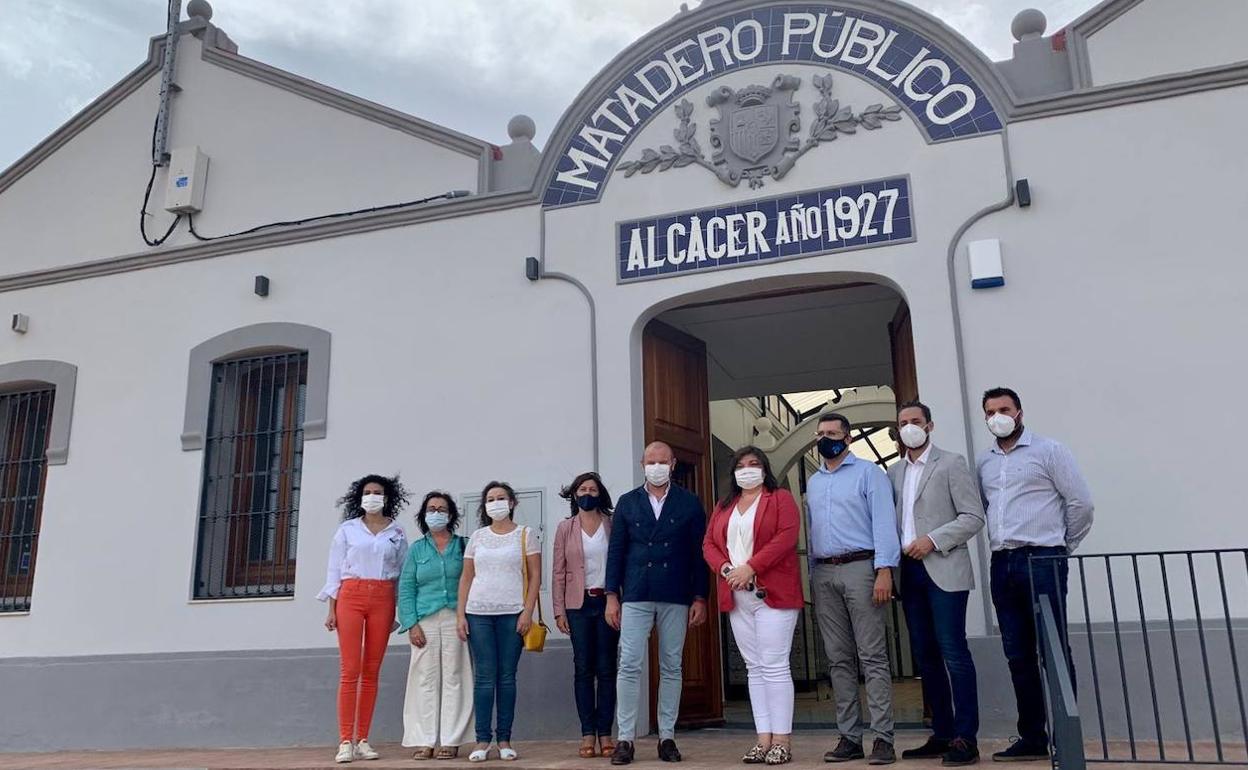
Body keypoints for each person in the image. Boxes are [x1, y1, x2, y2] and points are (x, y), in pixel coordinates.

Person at [977, 388, 1093, 762]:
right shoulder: (985, 463)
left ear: (1020, 412)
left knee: (1054, 649)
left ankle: (1066, 736)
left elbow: (1081, 503)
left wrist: (1060, 547)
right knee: (1017, 654)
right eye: (991, 411)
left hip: (1043, 559)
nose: (998, 416)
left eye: (1004, 409)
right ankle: (1032, 736)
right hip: (1002, 562)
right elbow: (986, 507)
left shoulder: (1049, 451)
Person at [888, 402, 985, 766]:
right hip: (909, 572)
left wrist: (934, 538)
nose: (909, 427)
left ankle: (966, 737)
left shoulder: (951, 463)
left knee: (953, 653)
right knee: (926, 658)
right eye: (903, 423)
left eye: (915, 421)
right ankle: (943, 732)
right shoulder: (894, 472)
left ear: (929, 425)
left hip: (943, 566)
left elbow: (973, 516)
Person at [605, 441, 709, 766]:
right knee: (629, 664)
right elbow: (616, 552)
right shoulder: (626, 502)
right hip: (635, 592)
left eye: (663, 461)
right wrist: (612, 595)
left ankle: (667, 736)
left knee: (672, 665)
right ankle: (625, 738)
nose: (657, 466)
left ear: (673, 464)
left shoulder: (690, 503)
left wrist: (700, 596)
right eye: (651, 461)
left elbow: (698, 555)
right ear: (642, 464)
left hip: (676, 593)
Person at [807, 413, 900, 765]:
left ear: (848, 438)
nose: (825, 438)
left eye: (832, 433)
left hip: (863, 568)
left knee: (872, 656)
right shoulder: (814, 482)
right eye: (820, 433)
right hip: (824, 573)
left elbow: (884, 524)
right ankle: (849, 737)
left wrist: (884, 570)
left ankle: (883, 739)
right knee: (838, 659)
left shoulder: (869, 474)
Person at [702, 446, 802, 766]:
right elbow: (710, 544)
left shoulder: (780, 498)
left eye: (754, 464)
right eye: (741, 465)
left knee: (774, 665)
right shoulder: (724, 505)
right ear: (733, 472)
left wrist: (751, 567)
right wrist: (728, 570)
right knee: (754, 667)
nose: (747, 469)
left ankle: (782, 739)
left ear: (764, 468)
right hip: (737, 594)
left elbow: (786, 537)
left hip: (772, 593)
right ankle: (763, 738)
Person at [318, 474, 410, 764]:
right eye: (368, 492)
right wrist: (331, 608)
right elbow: (334, 569)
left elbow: (402, 573)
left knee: (371, 670)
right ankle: (345, 739)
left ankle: (363, 739)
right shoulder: (347, 530)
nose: (373, 496)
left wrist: (397, 610)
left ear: (387, 497)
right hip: (351, 595)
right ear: (359, 497)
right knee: (350, 669)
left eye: (378, 492)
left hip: (383, 597)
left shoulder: (396, 531)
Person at [456, 481, 541, 763]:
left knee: (506, 677)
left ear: (512, 502)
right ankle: (482, 740)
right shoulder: (477, 537)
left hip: (512, 613)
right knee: (483, 676)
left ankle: (504, 738)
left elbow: (535, 575)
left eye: (501, 498)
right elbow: (467, 577)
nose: (496, 503)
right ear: (485, 506)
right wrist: (460, 615)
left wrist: (527, 611)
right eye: (490, 499)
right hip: (478, 612)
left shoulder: (525, 535)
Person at [398, 491, 473, 760]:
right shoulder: (417, 549)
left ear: (451, 514)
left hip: (455, 617)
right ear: (424, 514)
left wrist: (466, 616)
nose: (436, 513)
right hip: (425, 620)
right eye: (431, 508)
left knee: (455, 677)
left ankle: (451, 740)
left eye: (442, 508)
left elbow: (471, 581)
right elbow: (405, 588)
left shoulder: (462, 546)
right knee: (424, 678)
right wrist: (411, 624)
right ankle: (424, 740)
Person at [553, 471, 620, 759]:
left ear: (600, 494)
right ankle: (587, 733)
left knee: (607, 669)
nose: (587, 493)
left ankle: (606, 732)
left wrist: (618, 600)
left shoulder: (612, 524)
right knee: (583, 669)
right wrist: (559, 610)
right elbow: (557, 571)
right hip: (577, 606)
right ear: (574, 494)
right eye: (582, 489)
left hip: (606, 603)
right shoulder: (565, 528)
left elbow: (621, 563)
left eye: (593, 489)